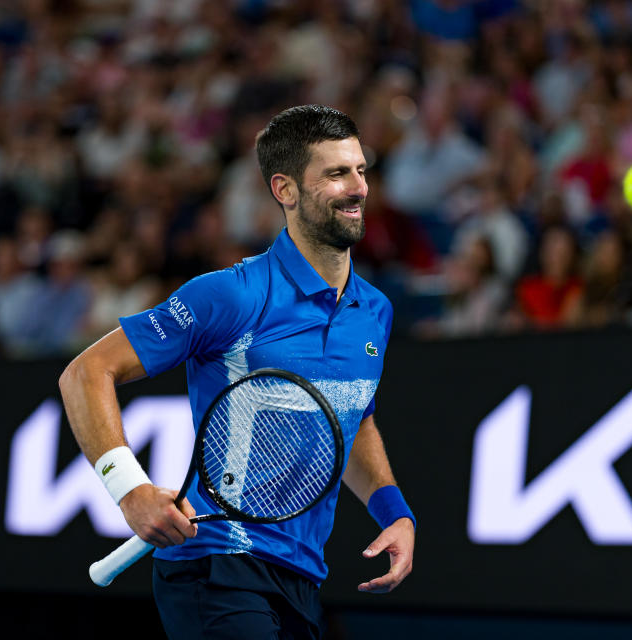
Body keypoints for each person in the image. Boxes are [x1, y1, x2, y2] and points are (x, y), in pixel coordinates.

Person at [59, 105, 415, 639]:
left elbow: (351, 419)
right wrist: (130, 491)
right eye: (336, 173)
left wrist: (395, 513)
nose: (358, 187)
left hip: (300, 576)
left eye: (361, 170)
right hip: (216, 566)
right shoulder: (229, 294)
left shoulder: (376, 311)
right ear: (285, 190)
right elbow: (86, 373)